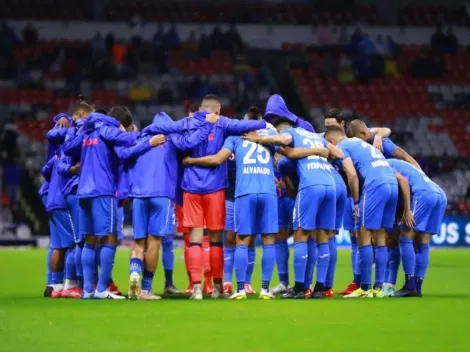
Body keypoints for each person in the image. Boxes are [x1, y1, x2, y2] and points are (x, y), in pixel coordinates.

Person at [243, 105, 343, 299]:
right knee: (323, 236)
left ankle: (298, 288)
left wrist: (258, 139)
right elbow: (339, 155)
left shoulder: (290, 133)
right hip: (330, 185)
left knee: (301, 235)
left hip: (311, 186)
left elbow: (282, 140)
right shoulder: (317, 137)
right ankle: (321, 288)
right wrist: (319, 152)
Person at [181, 94, 267, 300]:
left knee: (195, 239)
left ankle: (196, 288)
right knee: (215, 240)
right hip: (215, 188)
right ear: (217, 110)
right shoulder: (223, 123)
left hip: (191, 187)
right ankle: (218, 287)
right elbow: (259, 123)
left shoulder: (188, 123)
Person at [125, 111, 218, 300]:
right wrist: (207, 125)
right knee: (154, 243)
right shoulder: (172, 138)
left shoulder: (141, 138)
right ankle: (145, 289)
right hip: (161, 194)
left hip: (139, 194)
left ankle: (134, 272)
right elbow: (190, 143)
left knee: (138, 242)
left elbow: (125, 157)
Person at [62, 110, 142, 299]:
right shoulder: (107, 129)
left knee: (89, 240)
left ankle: (88, 290)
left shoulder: (87, 130)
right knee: (110, 238)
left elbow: (68, 149)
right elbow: (129, 141)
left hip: (83, 192)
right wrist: (135, 133)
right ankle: (101, 289)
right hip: (102, 191)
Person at [325, 126, 398, 298]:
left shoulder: (342, 148)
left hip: (375, 185)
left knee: (362, 234)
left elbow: (351, 175)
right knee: (380, 238)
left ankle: (364, 289)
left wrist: (356, 202)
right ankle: (378, 288)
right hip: (391, 183)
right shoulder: (359, 142)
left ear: (331, 142)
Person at [387, 159, 446, 297]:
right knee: (423, 243)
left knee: (405, 239)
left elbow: (402, 181)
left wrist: (407, 209)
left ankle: (409, 285)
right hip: (439, 193)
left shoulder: (384, 165)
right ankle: (417, 286)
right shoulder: (399, 163)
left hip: (423, 194)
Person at [45, 113, 76, 298]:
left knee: (57, 245)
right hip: (63, 201)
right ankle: (68, 286)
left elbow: (44, 171)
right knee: (74, 243)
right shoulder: (69, 153)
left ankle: (54, 285)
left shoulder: (56, 154)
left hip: (52, 199)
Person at [347, 119, 421, 169]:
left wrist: (422, 176)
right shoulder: (365, 133)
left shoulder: (383, 143)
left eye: (358, 140)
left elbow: (405, 157)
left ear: (363, 133)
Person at [271, 154, 296, 294]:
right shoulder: (268, 151)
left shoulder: (294, 151)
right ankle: (283, 282)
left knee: (303, 237)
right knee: (279, 237)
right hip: (277, 197)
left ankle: (305, 283)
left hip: (294, 195)